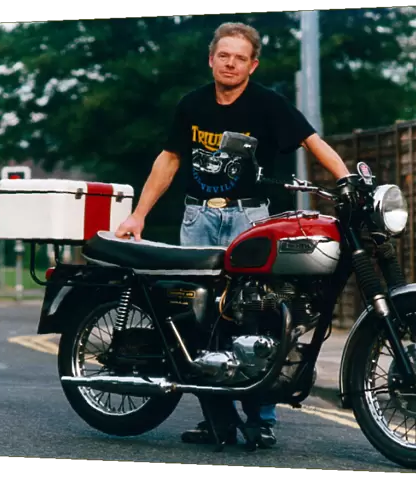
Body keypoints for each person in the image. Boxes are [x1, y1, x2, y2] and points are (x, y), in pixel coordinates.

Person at [115, 21, 351, 448]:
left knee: (257, 314)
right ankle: (216, 417)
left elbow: (313, 141)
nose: (230, 63)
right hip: (198, 218)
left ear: (252, 65)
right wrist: (138, 215)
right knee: (200, 318)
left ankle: (261, 419)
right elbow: (169, 160)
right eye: (224, 55)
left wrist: (348, 180)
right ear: (211, 59)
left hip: (250, 220)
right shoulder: (192, 105)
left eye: (240, 57)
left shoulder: (267, 105)